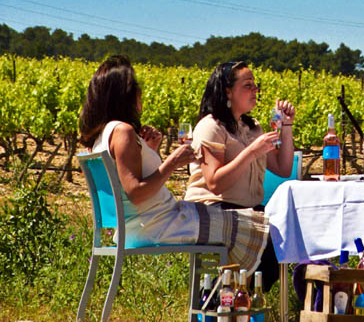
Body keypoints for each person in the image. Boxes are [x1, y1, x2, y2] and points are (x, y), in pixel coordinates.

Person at [78, 55, 269, 273]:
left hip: (142, 223)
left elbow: (130, 184)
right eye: (135, 87)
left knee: (245, 224)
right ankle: (228, 297)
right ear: (124, 95)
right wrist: (173, 162)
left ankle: (222, 295)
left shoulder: (103, 136)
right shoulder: (123, 131)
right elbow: (136, 193)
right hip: (160, 224)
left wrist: (150, 152)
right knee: (255, 228)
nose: (140, 93)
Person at [184, 60, 295, 291]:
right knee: (271, 241)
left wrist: (286, 126)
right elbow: (214, 183)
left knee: (288, 229)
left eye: (256, 85)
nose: (255, 90)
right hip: (213, 208)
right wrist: (252, 151)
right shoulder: (210, 126)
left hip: (247, 210)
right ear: (227, 91)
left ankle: (231, 301)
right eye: (248, 85)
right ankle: (224, 299)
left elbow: (284, 168)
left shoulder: (252, 127)